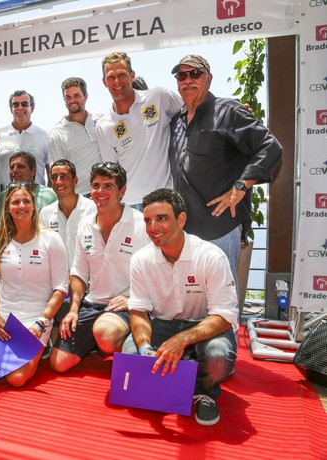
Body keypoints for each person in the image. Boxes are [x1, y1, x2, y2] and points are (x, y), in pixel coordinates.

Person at [124, 188, 239, 426]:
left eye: (161, 218)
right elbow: (138, 311)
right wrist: (145, 348)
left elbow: (224, 316)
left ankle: (204, 392)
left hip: (205, 325)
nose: (153, 227)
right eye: (148, 220)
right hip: (163, 324)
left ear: (181, 219)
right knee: (130, 352)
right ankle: (187, 367)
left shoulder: (210, 256)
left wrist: (182, 340)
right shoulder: (140, 260)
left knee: (218, 358)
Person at [168, 54, 282, 283]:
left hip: (219, 225)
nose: (188, 80)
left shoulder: (228, 110)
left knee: (222, 296)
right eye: (182, 75)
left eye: (195, 74)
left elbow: (270, 147)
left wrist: (241, 186)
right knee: (193, 295)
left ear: (209, 78)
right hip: (186, 227)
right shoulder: (175, 121)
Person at [50, 163, 149, 373]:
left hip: (126, 307)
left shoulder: (141, 224)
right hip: (92, 303)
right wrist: (74, 310)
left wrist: (133, 299)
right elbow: (79, 272)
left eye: (108, 186)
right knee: (58, 363)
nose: (100, 192)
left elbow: (157, 272)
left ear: (122, 191)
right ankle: (98, 341)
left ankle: (140, 340)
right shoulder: (85, 225)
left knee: (104, 333)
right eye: (96, 186)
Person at [0, 183, 68, 387]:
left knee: (16, 379)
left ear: (34, 206)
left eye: (26, 201)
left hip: (35, 320)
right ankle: (14, 348)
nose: (21, 206)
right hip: (4, 320)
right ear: (8, 208)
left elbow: (61, 287)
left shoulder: (51, 239)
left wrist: (41, 323)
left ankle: (42, 343)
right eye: (15, 202)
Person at [95, 51, 182, 209]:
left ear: (132, 75)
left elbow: (193, 108)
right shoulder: (103, 125)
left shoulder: (158, 97)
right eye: (111, 77)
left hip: (164, 198)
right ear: (104, 82)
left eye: (121, 75)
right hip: (129, 204)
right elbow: (113, 173)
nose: (117, 81)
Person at [48, 77, 101, 196]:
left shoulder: (100, 119)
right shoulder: (56, 133)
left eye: (76, 95)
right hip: (79, 196)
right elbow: (58, 173)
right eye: (68, 97)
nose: (72, 100)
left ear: (86, 96)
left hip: (104, 191)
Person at [40, 160, 96, 268]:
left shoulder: (92, 209)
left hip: (88, 278)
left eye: (64, 176)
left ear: (75, 181)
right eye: (54, 177)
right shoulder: (45, 213)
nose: (58, 182)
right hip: (58, 280)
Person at [0, 90, 50, 186]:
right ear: (11, 109)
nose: (20, 107)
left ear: (32, 108)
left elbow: (51, 172)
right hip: (6, 197)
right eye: (15, 104)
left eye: (24, 104)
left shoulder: (44, 136)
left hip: (37, 197)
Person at [0, 152, 56, 225]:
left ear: (33, 171)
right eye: (12, 167)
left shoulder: (51, 196)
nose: (14, 171)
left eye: (20, 166)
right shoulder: (1, 199)